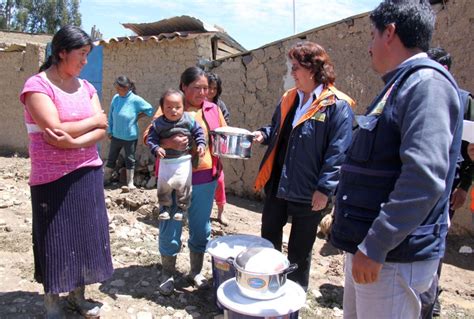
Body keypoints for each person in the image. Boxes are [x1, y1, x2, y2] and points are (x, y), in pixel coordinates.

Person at [329, 1, 463, 318]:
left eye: (372, 35)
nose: (368, 47)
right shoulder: (400, 85)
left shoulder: (425, 85)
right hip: (376, 253)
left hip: (392, 257)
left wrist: (376, 244)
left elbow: (423, 178)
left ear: (390, 33)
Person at [19, 25, 113, 318]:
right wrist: (92, 120)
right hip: (51, 177)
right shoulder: (37, 86)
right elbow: (53, 127)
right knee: (55, 239)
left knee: (84, 237)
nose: (85, 61)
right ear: (61, 52)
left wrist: (73, 141)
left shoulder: (86, 87)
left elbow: (102, 129)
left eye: (88, 54)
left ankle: (78, 297)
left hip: (88, 171)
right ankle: (52, 303)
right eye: (81, 54)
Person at [253, 41, 355, 291]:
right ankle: (269, 288)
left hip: (310, 192)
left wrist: (324, 189)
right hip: (278, 184)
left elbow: (338, 152)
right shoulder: (290, 98)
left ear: (313, 68)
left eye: (296, 67)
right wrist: (263, 135)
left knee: (300, 250)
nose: (292, 73)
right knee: (268, 240)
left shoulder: (336, 104)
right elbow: (278, 130)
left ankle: (293, 296)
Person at [143, 67, 227, 296]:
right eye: (196, 88)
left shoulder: (213, 109)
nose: (203, 93)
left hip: (204, 177)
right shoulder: (169, 106)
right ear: (184, 86)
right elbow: (148, 135)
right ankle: (167, 273)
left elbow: (222, 137)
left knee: (201, 227)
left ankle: (195, 272)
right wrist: (168, 143)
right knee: (170, 223)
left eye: (206, 88)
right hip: (173, 176)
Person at [419, 47, 474, 318]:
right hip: (417, 183)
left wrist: (465, 186)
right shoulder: (417, 94)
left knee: (436, 239)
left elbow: (472, 149)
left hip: (448, 187)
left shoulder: (464, 101)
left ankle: (431, 294)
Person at [146, 89, 206, 221]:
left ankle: (182, 209)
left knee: (184, 185)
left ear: (184, 107)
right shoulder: (157, 124)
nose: (174, 111)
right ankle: (165, 208)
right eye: (169, 107)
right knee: (164, 186)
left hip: (183, 160)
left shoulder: (189, 120)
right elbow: (150, 139)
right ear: (162, 108)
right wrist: (156, 148)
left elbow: (199, 132)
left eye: (178, 107)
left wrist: (201, 144)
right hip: (165, 161)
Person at [104, 75, 154, 190]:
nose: (118, 91)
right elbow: (111, 116)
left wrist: (138, 116)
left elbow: (149, 110)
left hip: (130, 137)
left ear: (127, 87)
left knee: (129, 159)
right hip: (115, 135)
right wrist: (110, 130)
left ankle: (130, 182)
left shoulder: (135, 99)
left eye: (120, 89)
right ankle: (105, 180)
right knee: (112, 158)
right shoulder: (115, 98)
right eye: (117, 89)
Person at [206, 72, 230, 225]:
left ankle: (221, 212)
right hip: (198, 151)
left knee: (219, 181)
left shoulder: (219, 106)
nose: (211, 91)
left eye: (215, 88)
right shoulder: (195, 104)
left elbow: (225, 124)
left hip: (214, 151)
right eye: (209, 88)